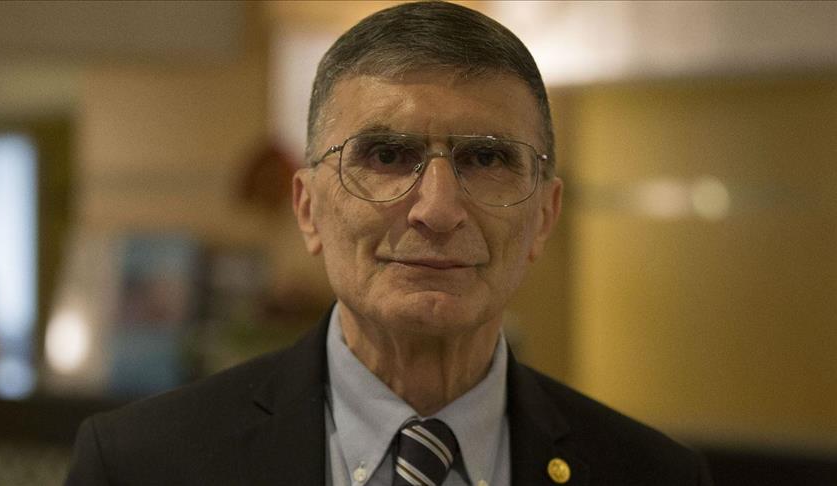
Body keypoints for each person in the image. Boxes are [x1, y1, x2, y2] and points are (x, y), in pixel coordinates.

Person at [65, 2, 713, 485]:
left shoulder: (654, 476)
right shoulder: (140, 466)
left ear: (544, 215)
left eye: (486, 158)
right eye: (385, 155)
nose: (437, 209)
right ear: (308, 209)